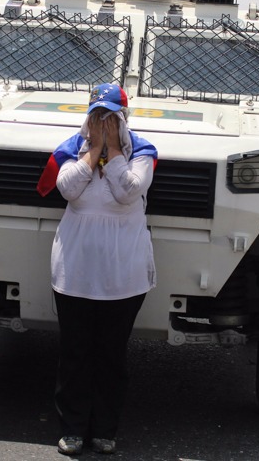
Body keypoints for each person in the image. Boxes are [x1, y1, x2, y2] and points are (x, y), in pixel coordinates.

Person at [37, 83, 158, 456]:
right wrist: (92, 153)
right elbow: (67, 189)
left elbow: (128, 192)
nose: (103, 123)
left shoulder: (142, 153)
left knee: (110, 354)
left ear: (123, 119)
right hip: (75, 272)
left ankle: (104, 429)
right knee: (74, 353)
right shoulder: (73, 150)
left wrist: (116, 151)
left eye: (111, 117)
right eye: (97, 116)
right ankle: (73, 429)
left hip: (123, 275)